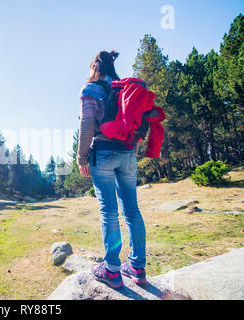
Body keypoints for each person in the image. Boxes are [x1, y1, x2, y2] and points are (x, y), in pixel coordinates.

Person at [77, 50, 147, 288]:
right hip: (127, 154)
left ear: (94, 67)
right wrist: (130, 152)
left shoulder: (90, 90)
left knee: (109, 212)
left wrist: (81, 158)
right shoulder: (122, 89)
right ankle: (137, 267)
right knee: (132, 211)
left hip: (103, 153)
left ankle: (112, 269)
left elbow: (87, 125)